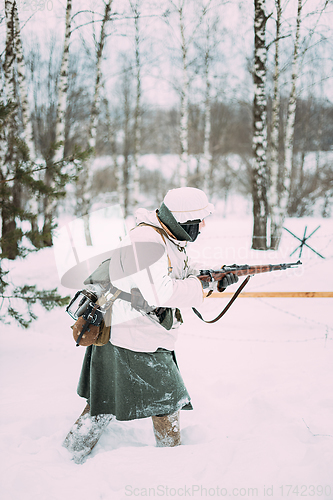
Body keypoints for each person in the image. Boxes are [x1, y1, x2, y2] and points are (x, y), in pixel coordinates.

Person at [63, 187, 238, 463]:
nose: (203, 227)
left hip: (133, 331)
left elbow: (177, 272)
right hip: (131, 334)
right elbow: (162, 293)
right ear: (183, 221)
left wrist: (211, 278)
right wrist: (199, 288)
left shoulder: (165, 235)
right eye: (199, 221)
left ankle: (69, 453)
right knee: (168, 397)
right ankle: (173, 465)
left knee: (105, 400)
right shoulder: (147, 241)